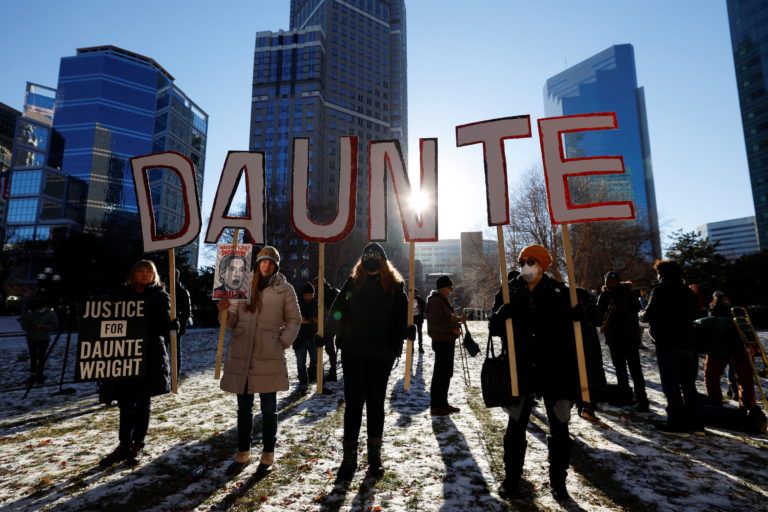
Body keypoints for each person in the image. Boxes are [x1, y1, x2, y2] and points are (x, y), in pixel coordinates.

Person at [488, 244, 580, 502]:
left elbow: (575, 330)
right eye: (521, 261)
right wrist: (500, 315)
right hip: (521, 367)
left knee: (559, 425)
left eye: (531, 260)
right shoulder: (508, 291)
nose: (525, 265)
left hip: (555, 367)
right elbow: (494, 328)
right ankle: (512, 479)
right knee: (516, 425)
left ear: (543, 265)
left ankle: (558, 483)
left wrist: (577, 315)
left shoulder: (561, 292)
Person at [324, 242, 410, 480]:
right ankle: (349, 457)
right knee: (353, 405)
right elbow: (338, 310)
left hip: (381, 356)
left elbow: (401, 318)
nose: (372, 260)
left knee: (375, 405)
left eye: (376, 257)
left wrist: (406, 332)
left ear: (383, 262)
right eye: (368, 256)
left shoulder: (395, 287)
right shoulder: (352, 284)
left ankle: (374, 457)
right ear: (362, 261)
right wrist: (327, 334)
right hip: (353, 353)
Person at [216, 246, 301, 475]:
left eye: (271, 263)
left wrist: (281, 341)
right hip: (242, 353)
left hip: (268, 354)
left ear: (276, 267)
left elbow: (294, 319)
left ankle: (268, 454)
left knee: (268, 409)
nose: (266, 266)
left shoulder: (284, 289)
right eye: (263, 262)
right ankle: (243, 453)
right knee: (243, 409)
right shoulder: (241, 285)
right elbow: (232, 321)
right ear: (257, 263)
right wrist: (223, 310)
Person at [98, 260, 174, 467]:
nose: (144, 275)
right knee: (124, 402)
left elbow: (163, 327)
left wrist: (171, 325)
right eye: (140, 271)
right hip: (123, 354)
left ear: (154, 275)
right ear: (133, 274)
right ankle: (123, 444)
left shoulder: (159, 295)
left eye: (148, 272)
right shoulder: (119, 294)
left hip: (149, 355)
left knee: (142, 402)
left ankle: (137, 444)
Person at [643, 259, 704, 437]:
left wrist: (644, 314)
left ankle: (677, 425)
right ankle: (696, 425)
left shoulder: (660, 291)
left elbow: (648, 315)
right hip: (688, 343)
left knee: (671, 385)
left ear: (661, 274)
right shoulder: (689, 293)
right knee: (689, 385)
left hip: (667, 343)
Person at [597, 272, 649, 412]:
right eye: (607, 280)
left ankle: (642, 400)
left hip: (629, 337)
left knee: (635, 370)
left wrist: (620, 309)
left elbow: (636, 309)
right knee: (620, 369)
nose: (609, 283)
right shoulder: (604, 295)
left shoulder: (627, 293)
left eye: (612, 281)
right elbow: (599, 313)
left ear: (618, 282)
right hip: (614, 338)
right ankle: (625, 396)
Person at [426, 276, 462, 415]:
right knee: (440, 374)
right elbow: (435, 324)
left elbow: (446, 319)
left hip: (447, 340)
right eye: (449, 287)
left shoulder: (443, 300)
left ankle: (443, 403)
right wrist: (451, 329)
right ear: (443, 288)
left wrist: (457, 321)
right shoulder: (436, 302)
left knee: (446, 373)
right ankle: (436, 405)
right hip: (441, 341)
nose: (451, 290)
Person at [575, 287, 608, 422]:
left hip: (586, 345)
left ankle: (586, 405)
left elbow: (598, 320)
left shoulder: (588, 306)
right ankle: (586, 405)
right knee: (588, 375)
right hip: (585, 345)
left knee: (587, 375)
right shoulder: (578, 306)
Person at [19, 297, 59, 383]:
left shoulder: (50, 314)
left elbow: (54, 325)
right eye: (38, 308)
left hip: (44, 338)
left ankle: (40, 373)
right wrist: (32, 327)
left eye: (41, 307)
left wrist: (43, 326)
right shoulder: (30, 314)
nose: (40, 309)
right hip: (32, 338)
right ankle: (33, 374)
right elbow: (24, 325)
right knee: (33, 357)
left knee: (41, 357)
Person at [312, 276, 340, 382]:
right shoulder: (333, 290)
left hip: (328, 323)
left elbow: (323, 309)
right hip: (338, 322)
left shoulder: (322, 293)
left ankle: (332, 373)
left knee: (329, 348)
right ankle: (333, 372)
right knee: (333, 349)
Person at [295, 282, 318, 392]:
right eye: (307, 295)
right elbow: (291, 318)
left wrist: (315, 321)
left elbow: (321, 318)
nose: (309, 297)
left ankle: (312, 376)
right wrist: (299, 321)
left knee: (315, 360)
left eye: (311, 295)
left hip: (313, 337)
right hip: (300, 337)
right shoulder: (296, 304)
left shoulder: (317, 304)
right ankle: (303, 382)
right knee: (301, 362)